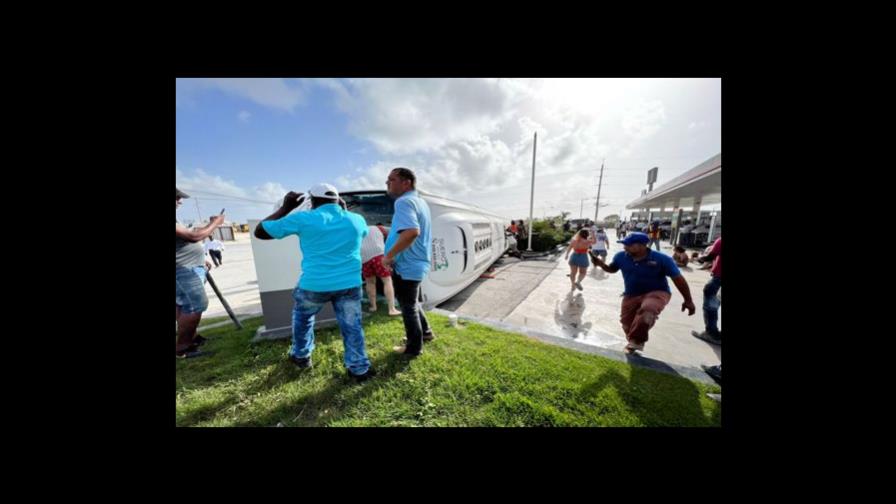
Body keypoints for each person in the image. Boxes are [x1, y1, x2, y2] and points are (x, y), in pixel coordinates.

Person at [254, 183, 375, 382]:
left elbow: (261, 231)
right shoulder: (357, 220)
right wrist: (342, 211)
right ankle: (359, 368)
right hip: (349, 284)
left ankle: (301, 356)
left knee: (303, 319)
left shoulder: (303, 219)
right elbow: (358, 233)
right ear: (338, 201)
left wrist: (285, 207)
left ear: (312, 200)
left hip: (315, 284)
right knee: (352, 325)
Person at [591, 232, 697, 354]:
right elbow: (612, 269)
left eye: (629, 245)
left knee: (648, 309)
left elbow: (678, 279)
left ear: (642, 245)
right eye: (624, 244)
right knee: (627, 323)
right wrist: (600, 264)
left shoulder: (662, 259)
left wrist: (688, 300)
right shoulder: (621, 256)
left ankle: (636, 342)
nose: (625, 247)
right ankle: (633, 341)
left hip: (657, 292)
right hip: (631, 294)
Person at [381, 168, 434, 357]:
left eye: (391, 179)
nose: (387, 183)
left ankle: (413, 348)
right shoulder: (420, 202)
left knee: (408, 307)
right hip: (417, 263)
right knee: (412, 303)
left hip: (408, 264)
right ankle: (426, 333)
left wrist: (389, 256)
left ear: (407, 182)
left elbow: (412, 232)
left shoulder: (404, 202)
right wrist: (389, 233)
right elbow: (409, 231)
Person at [176, 188, 225, 358]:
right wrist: (215, 224)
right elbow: (193, 237)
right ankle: (183, 347)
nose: (179, 201)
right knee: (196, 304)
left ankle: (192, 338)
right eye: (176, 198)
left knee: (183, 305)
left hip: (188, 266)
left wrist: (199, 260)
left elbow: (186, 240)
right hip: (182, 270)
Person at [361, 223, 401, 316]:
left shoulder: (359, 231)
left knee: (370, 282)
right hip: (379, 256)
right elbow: (393, 235)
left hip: (365, 259)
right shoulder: (378, 228)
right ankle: (392, 309)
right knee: (387, 281)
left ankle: (373, 307)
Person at [691, 237, 722, 345]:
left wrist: (700, 259)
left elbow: (710, 256)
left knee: (711, 306)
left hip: (719, 279)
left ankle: (711, 333)